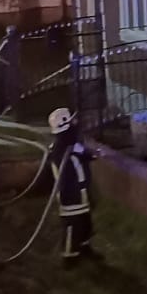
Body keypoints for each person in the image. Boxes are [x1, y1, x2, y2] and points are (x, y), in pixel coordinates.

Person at [48, 107, 94, 266]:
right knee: (72, 226)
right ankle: (69, 257)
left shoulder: (70, 145)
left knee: (85, 222)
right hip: (70, 197)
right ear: (65, 125)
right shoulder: (60, 150)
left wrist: (90, 154)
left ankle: (84, 247)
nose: (75, 123)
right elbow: (67, 172)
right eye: (72, 121)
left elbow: (82, 153)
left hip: (81, 194)